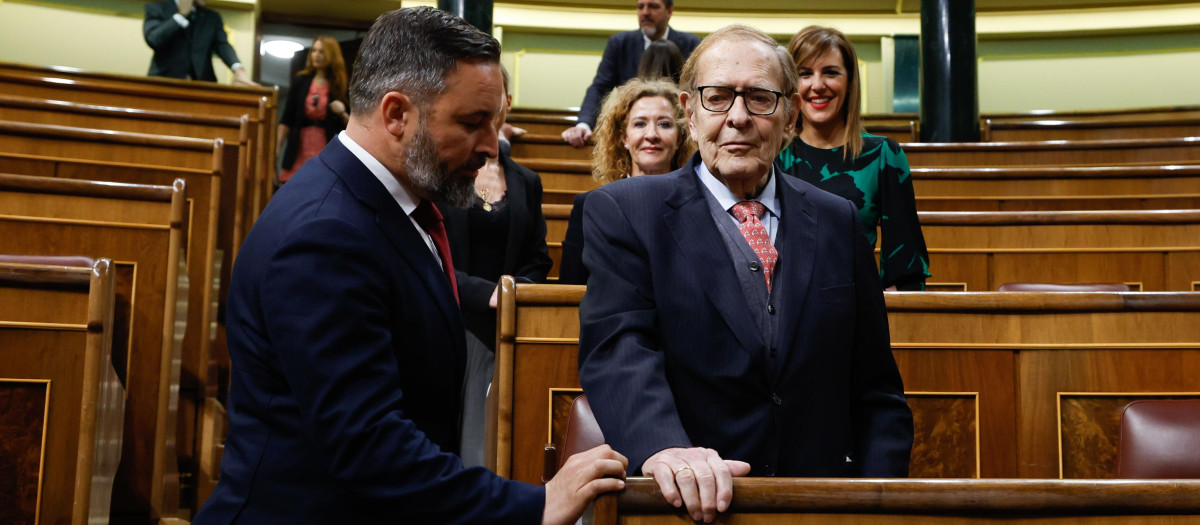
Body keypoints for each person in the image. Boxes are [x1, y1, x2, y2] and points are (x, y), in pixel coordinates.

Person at [194, 7, 626, 524]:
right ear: (396, 114)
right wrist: (534, 505)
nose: (492, 147)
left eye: (495, 121)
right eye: (472, 123)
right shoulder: (323, 233)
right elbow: (369, 447)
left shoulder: (400, 203)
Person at [577, 24, 914, 523]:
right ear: (690, 115)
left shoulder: (838, 220)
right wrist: (668, 450)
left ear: (791, 117)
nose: (737, 117)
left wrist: (874, 501)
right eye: (717, 98)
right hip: (687, 504)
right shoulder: (625, 211)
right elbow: (619, 349)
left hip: (821, 508)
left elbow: (876, 390)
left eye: (759, 98)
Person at [440, 66, 553, 467]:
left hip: (507, 322)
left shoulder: (527, 180)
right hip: (450, 318)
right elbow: (427, 254)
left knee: (497, 447)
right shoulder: (443, 170)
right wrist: (482, 293)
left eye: (499, 97)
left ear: (507, 103)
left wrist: (513, 294)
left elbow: (539, 258)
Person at [779, 26, 930, 290]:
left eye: (830, 72)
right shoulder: (774, 156)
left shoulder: (883, 154)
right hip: (786, 309)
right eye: (805, 73)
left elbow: (905, 263)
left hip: (856, 307)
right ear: (792, 84)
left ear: (850, 82)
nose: (817, 85)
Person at [558, 79, 689, 285]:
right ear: (624, 138)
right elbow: (570, 288)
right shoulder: (590, 206)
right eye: (640, 124)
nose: (652, 135)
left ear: (679, 138)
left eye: (664, 124)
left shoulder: (697, 205)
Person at [561, 0, 700, 148]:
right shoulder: (620, 43)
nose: (645, 12)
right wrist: (584, 124)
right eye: (640, 7)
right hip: (633, 137)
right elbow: (600, 88)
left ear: (669, 11)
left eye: (653, 6)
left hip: (680, 138)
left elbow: (696, 92)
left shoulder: (690, 43)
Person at [277, 36, 350, 184]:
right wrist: (276, 148)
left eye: (321, 52)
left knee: (321, 185)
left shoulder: (340, 85)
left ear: (331, 56)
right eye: (314, 51)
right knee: (294, 187)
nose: (316, 55)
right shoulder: (301, 80)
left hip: (326, 145)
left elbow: (354, 127)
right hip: (299, 144)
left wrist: (342, 113)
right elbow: (287, 118)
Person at [143, 0, 256, 85]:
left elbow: (222, 45)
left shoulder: (212, 17)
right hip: (163, 83)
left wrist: (238, 70)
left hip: (203, 84)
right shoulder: (156, 7)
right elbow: (154, 39)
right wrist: (181, 16)